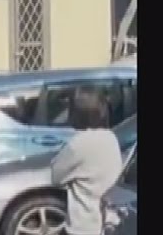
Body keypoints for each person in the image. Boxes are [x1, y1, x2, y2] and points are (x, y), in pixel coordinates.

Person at [49, 87, 124, 235]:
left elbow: (55, 176)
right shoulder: (111, 138)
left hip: (83, 226)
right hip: (107, 222)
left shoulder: (78, 144)